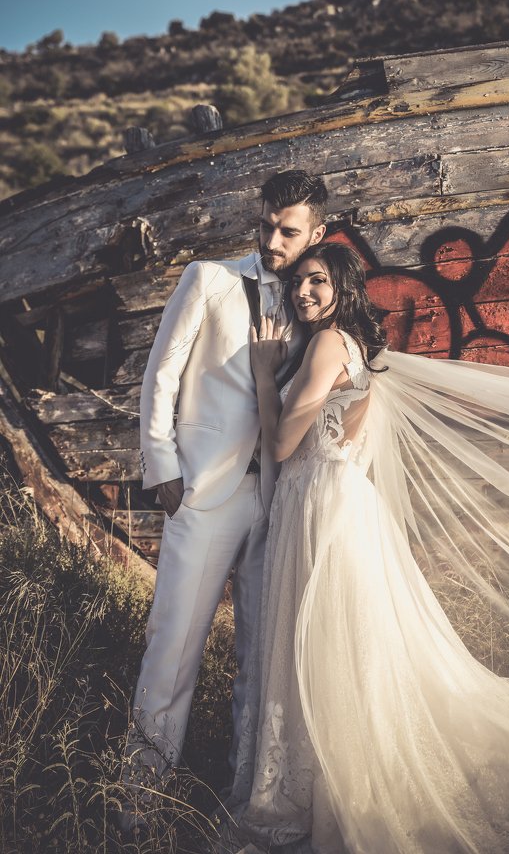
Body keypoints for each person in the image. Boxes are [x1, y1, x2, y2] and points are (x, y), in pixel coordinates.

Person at [219, 241, 509, 854]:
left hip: (322, 502)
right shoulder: (358, 348)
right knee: (338, 644)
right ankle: (333, 767)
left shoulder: (327, 344)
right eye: (298, 283)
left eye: (317, 281)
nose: (302, 293)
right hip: (334, 500)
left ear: (344, 287)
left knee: (320, 639)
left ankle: (333, 781)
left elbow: (280, 445)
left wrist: (264, 376)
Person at [121, 170, 328, 816]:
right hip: (203, 494)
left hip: (275, 501)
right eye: (265, 224)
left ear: (317, 234)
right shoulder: (207, 279)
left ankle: (245, 796)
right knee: (174, 646)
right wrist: (164, 472)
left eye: (288, 231)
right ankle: (138, 801)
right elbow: (161, 375)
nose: (272, 239)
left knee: (260, 661)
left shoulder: (316, 305)